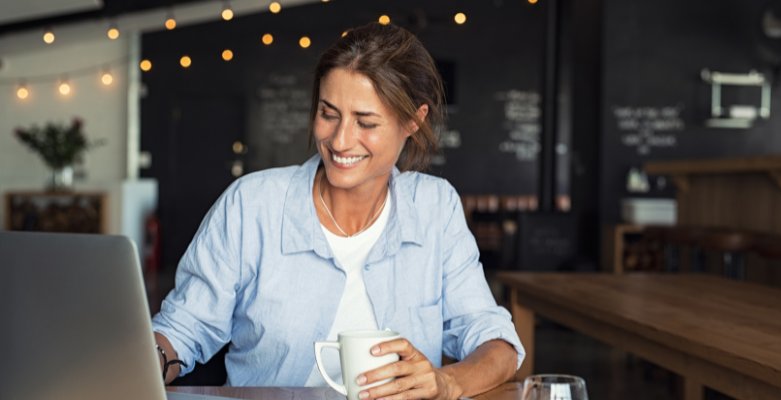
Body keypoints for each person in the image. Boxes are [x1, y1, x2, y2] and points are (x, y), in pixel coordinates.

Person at [151, 22, 525, 400]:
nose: (340, 140)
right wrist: (145, 359)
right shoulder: (252, 204)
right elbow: (183, 327)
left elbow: (498, 346)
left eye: (365, 122)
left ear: (414, 120)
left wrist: (448, 382)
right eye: (329, 114)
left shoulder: (435, 208)